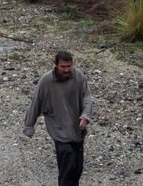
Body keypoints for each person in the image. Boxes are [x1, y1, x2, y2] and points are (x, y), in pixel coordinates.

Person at [23, 50, 93, 186]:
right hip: (58, 129)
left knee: (77, 168)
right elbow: (36, 103)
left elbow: (87, 97)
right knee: (67, 164)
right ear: (56, 65)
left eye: (69, 66)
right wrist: (29, 125)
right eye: (63, 67)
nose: (66, 69)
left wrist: (86, 115)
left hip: (76, 128)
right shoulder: (46, 81)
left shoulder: (78, 76)